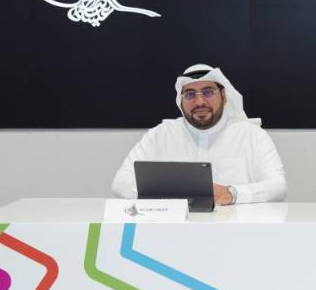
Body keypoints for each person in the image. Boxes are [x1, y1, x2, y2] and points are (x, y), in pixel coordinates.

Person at [111, 64, 287, 205]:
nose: (199, 101)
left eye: (208, 92)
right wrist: (172, 194)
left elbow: (278, 187)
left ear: (224, 96)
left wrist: (232, 193)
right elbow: (120, 183)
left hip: (235, 231)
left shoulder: (252, 135)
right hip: (175, 230)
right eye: (190, 94)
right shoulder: (161, 135)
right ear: (181, 100)